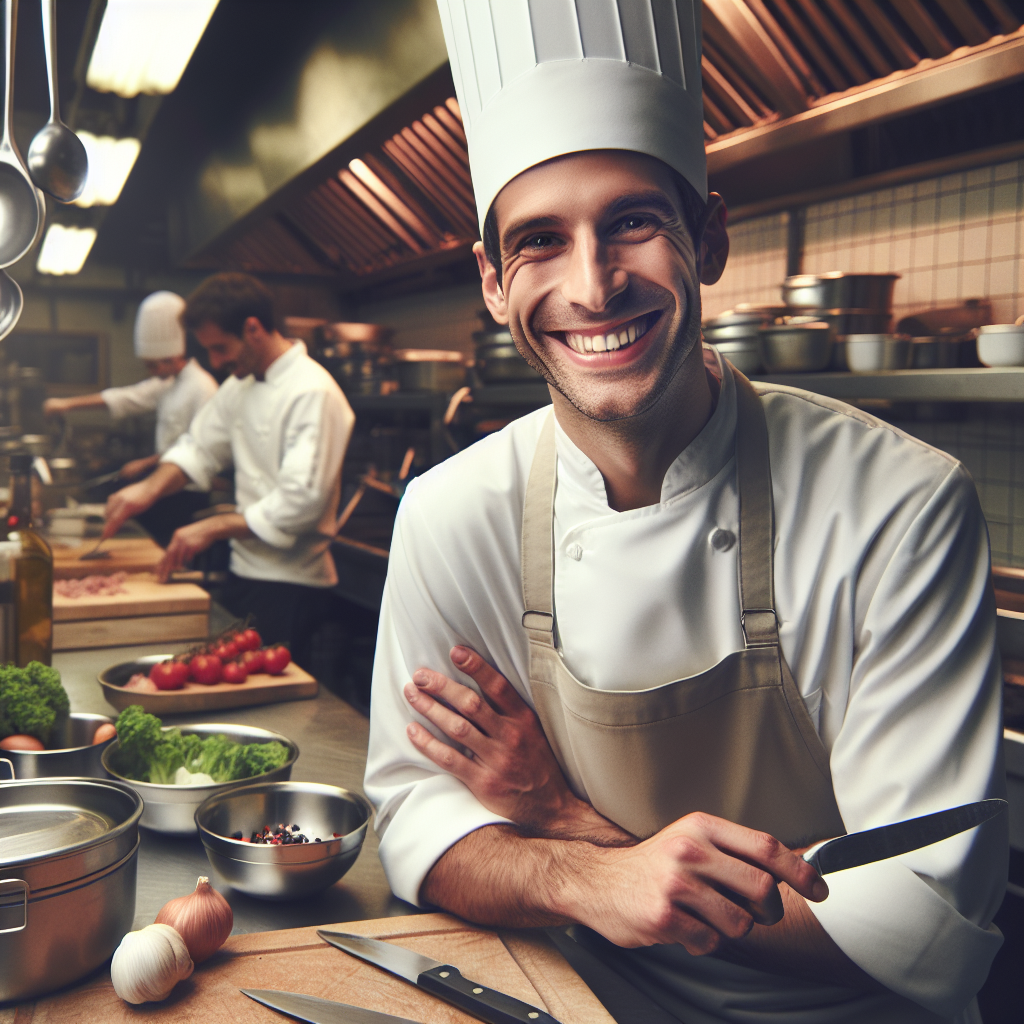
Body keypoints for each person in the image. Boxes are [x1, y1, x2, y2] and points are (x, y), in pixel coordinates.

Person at [363, 4, 1007, 1023]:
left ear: (706, 237)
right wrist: (583, 880)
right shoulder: (451, 513)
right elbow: (413, 823)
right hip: (582, 994)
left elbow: (908, 924)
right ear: (492, 283)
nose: (593, 284)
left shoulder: (899, 503)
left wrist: (562, 822)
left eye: (630, 220)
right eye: (539, 240)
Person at [103, 273, 355, 670]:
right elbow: (198, 447)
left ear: (253, 328)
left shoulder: (313, 391)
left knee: (268, 707)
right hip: (247, 573)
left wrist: (213, 527)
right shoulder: (240, 386)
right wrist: (147, 490)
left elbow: (301, 502)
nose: (216, 362)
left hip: (292, 585)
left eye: (221, 348)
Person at [43, 290, 218, 546]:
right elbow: (128, 397)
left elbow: (198, 447)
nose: (151, 372)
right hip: (163, 484)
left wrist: (146, 463)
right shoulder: (169, 382)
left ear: (171, 357)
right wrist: (67, 405)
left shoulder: (203, 388)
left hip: (186, 493)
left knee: (158, 542)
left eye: (152, 365)